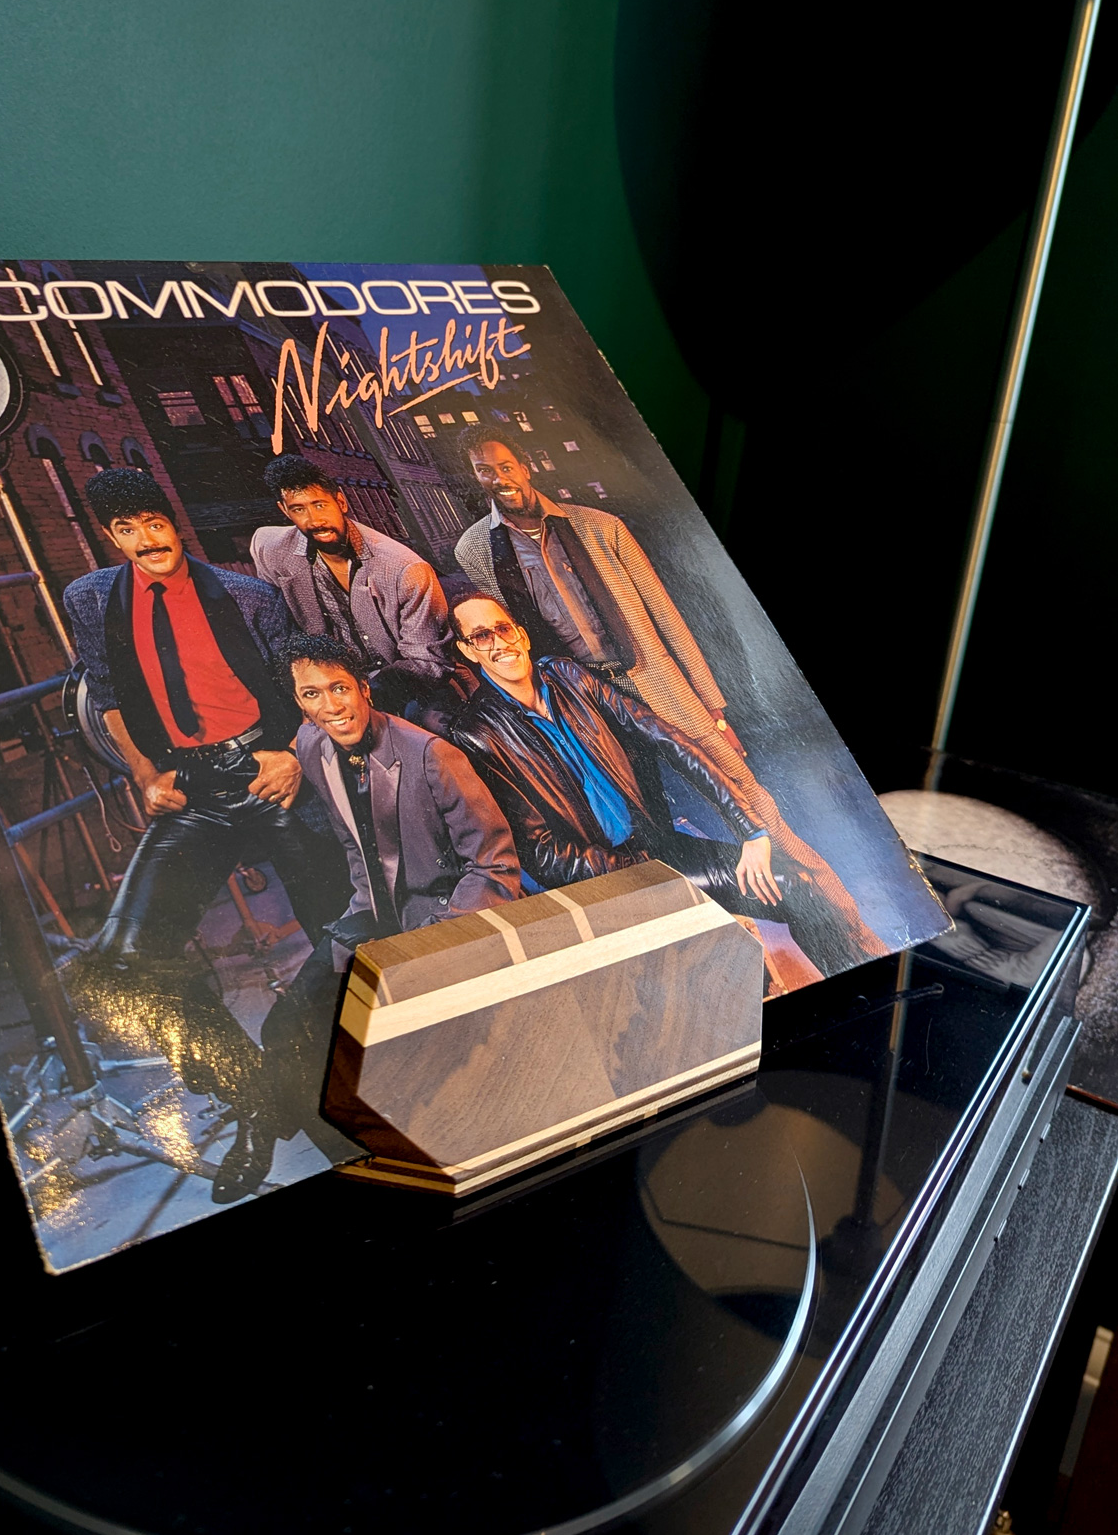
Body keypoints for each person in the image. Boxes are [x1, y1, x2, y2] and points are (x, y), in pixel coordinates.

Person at [452, 428, 886, 959]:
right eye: (485, 470)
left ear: (525, 466)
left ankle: (849, 927)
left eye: (506, 466)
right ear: (474, 479)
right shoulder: (475, 548)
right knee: (647, 826)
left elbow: (665, 615)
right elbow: (501, 627)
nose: (499, 479)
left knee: (754, 809)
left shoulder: (599, 526)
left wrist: (711, 704)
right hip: (582, 702)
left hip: (651, 681)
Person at [61, 468, 347, 1202]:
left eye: (154, 523)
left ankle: (320, 1084)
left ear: (174, 521)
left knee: (342, 936)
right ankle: (256, 1100)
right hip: (191, 789)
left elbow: (302, 683)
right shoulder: (90, 599)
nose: (145, 540)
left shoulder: (249, 596)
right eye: (126, 530)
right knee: (122, 962)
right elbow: (110, 694)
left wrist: (289, 752)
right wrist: (143, 772)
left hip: (269, 771)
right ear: (110, 536)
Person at [447, 594, 867, 978]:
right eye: (481, 636)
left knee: (797, 885)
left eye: (503, 629)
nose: (499, 643)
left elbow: (667, 739)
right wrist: (644, 871)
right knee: (725, 965)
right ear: (467, 651)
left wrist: (750, 830)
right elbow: (541, 853)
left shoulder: (567, 675)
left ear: (521, 635)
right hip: (605, 883)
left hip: (657, 849)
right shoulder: (477, 733)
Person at [261, 633, 520, 1141]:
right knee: (285, 1030)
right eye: (312, 694)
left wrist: (431, 944)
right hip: (374, 916)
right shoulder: (312, 745)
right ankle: (341, 1154)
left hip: (442, 920)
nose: (331, 706)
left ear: (364, 689)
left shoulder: (431, 755)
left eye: (340, 688)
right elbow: (355, 846)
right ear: (299, 703)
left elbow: (495, 867)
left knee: (395, 1059)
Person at [250, 454, 462, 728]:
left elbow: (428, 661)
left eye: (320, 505)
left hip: (407, 686)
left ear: (341, 502)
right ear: (284, 511)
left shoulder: (404, 568)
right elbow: (280, 632)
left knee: (432, 727)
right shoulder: (269, 549)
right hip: (328, 688)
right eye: (299, 509)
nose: (314, 520)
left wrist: (362, 695)